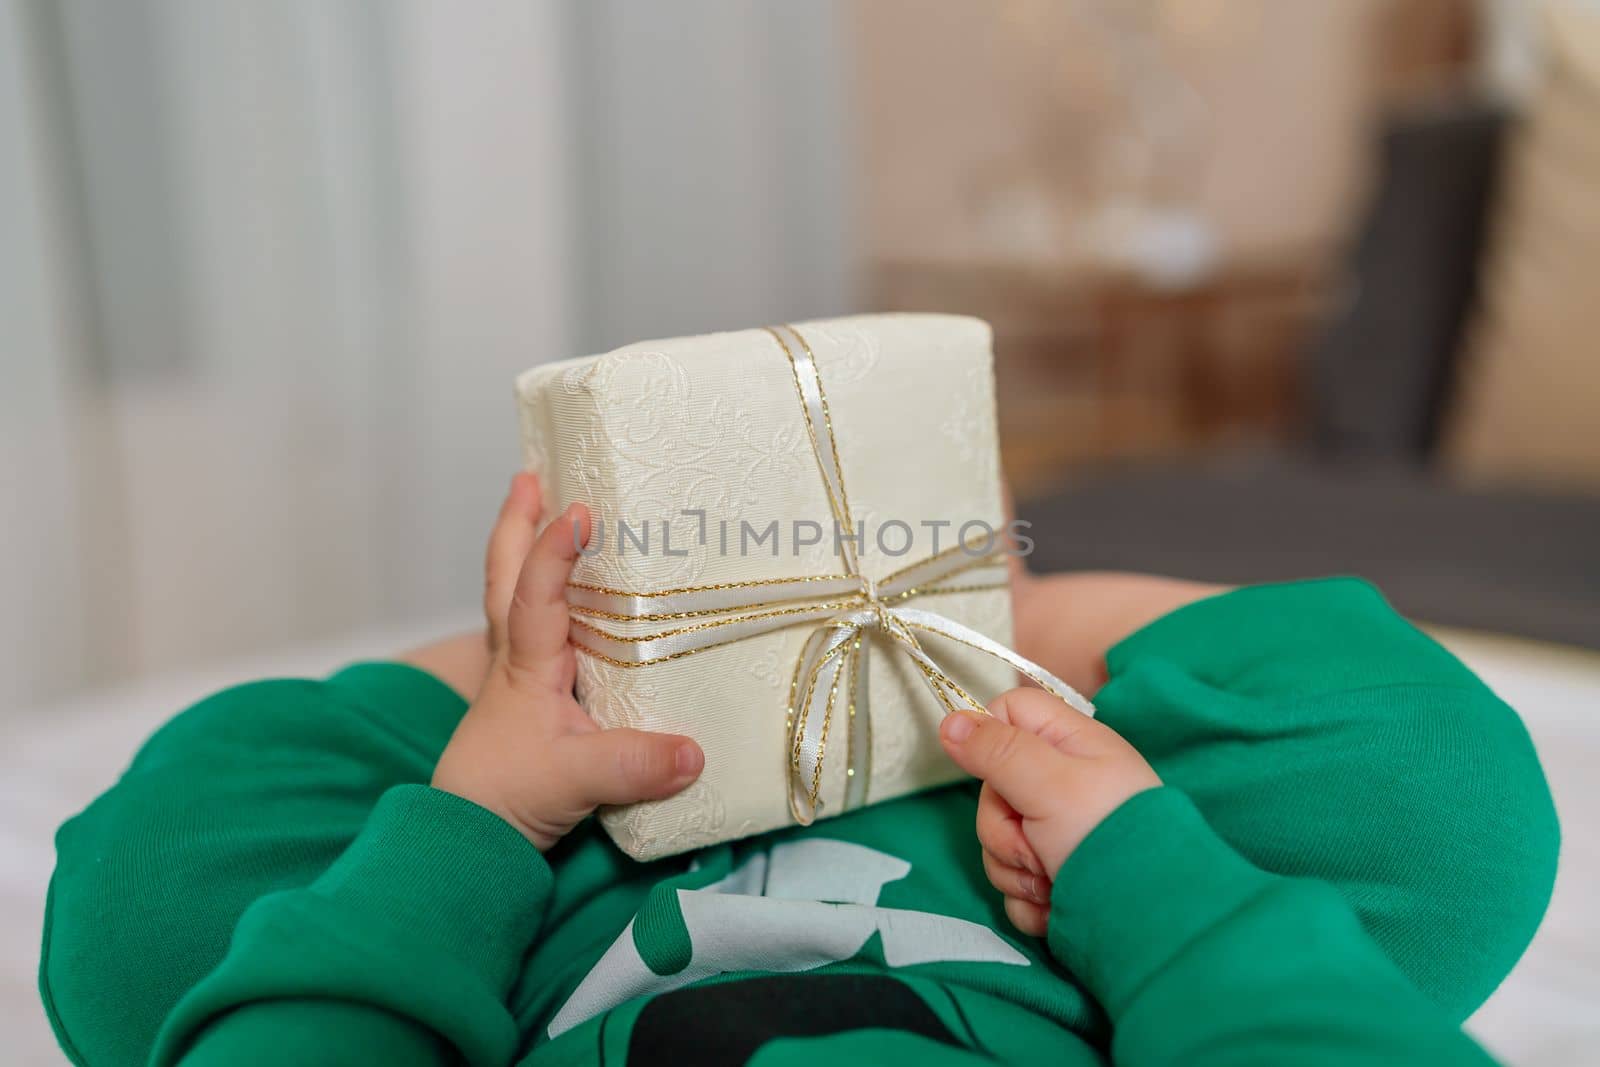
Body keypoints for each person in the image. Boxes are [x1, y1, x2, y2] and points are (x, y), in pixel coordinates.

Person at [40, 473, 1558, 1066]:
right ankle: (989, 621)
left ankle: (558, 668)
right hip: (1057, 932)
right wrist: (1138, 872)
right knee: (1437, 803)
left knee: (149, 922)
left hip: (535, 938)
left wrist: (485, 803)